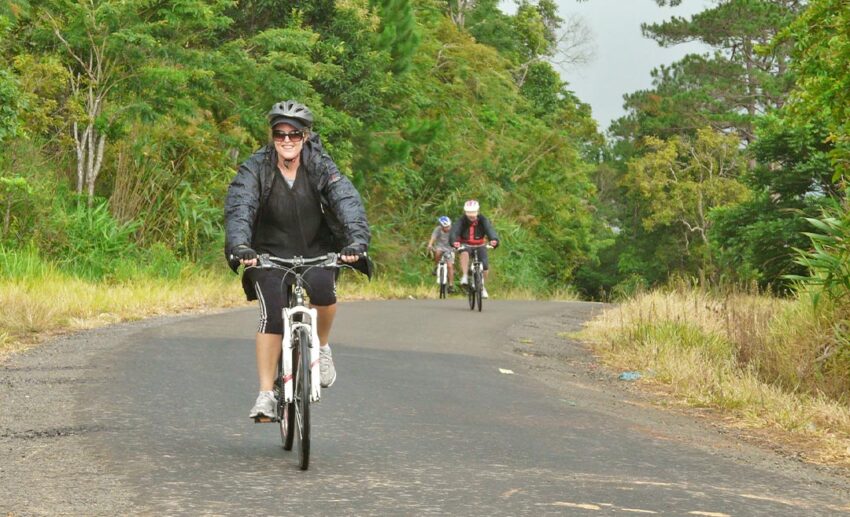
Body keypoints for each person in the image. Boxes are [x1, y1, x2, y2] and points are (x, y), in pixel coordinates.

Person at [224, 100, 370, 420]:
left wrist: (356, 242)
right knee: (273, 316)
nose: (287, 140)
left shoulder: (320, 165)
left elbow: (346, 201)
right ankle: (265, 394)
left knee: (323, 291)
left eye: (294, 134)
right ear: (272, 136)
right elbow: (240, 206)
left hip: (316, 250)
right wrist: (240, 245)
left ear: (306, 136)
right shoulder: (256, 168)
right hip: (267, 254)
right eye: (280, 134)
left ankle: (323, 347)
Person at [450, 200, 499, 299]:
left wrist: (494, 240)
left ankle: (482, 286)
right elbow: (454, 232)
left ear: (477, 211)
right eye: (469, 213)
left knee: (485, 266)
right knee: (464, 252)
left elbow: (489, 229)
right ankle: (464, 276)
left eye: (473, 213)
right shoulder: (461, 221)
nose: (471, 216)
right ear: (465, 212)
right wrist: (454, 241)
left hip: (480, 244)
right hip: (466, 244)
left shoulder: (483, 220)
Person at [427, 215, 455, 293]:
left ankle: (451, 285)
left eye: (448, 226)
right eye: (445, 226)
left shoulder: (453, 229)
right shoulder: (438, 229)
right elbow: (433, 238)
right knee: (437, 253)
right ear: (441, 226)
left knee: (450, 266)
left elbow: (458, 238)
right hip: (440, 247)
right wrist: (430, 244)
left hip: (450, 248)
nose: (447, 228)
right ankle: (436, 267)